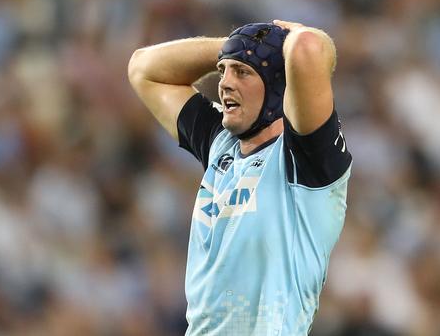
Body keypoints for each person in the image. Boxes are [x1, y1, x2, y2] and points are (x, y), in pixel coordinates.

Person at [128, 20, 352, 335]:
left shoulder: (307, 160)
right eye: (224, 70)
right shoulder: (221, 144)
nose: (225, 83)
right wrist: (237, 45)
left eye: (243, 72)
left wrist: (285, 41)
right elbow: (143, 68)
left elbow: (308, 48)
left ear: (277, 86)